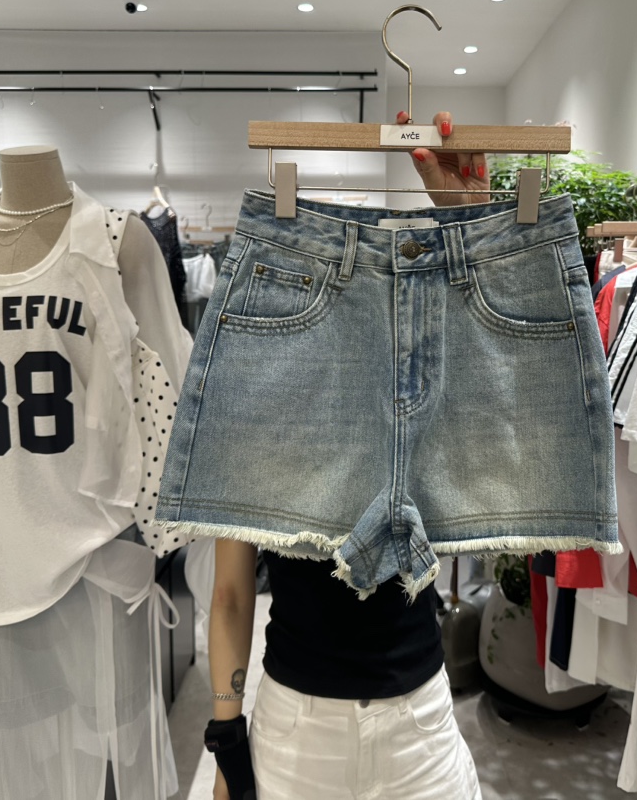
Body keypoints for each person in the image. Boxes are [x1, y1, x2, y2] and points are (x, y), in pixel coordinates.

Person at [206, 111, 489, 800]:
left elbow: (499, 427)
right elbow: (232, 592)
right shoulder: (261, 404)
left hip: (419, 721)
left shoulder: (423, 401)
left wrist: (472, 227)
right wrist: (225, 743)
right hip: (296, 729)